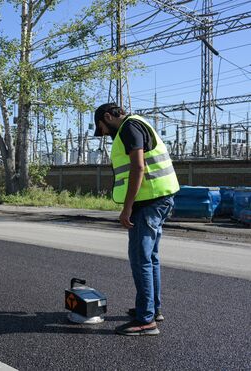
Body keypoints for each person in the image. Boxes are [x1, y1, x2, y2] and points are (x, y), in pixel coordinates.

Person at [94, 102, 180, 336]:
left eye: (101, 127)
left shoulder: (130, 128)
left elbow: (138, 167)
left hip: (148, 201)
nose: (103, 133)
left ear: (109, 117)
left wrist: (127, 208)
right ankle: (153, 310)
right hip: (159, 198)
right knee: (150, 258)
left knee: (140, 258)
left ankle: (146, 321)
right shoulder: (138, 124)